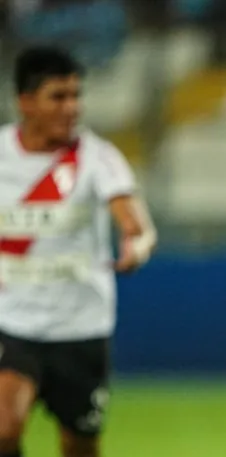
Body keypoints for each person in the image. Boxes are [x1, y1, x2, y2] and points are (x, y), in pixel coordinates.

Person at [0, 46, 157, 457]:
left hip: (80, 328)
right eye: (58, 96)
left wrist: (135, 247)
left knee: (80, 446)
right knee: (3, 430)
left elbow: (136, 226)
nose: (72, 107)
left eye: (76, 95)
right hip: (13, 324)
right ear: (26, 101)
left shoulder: (97, 158)